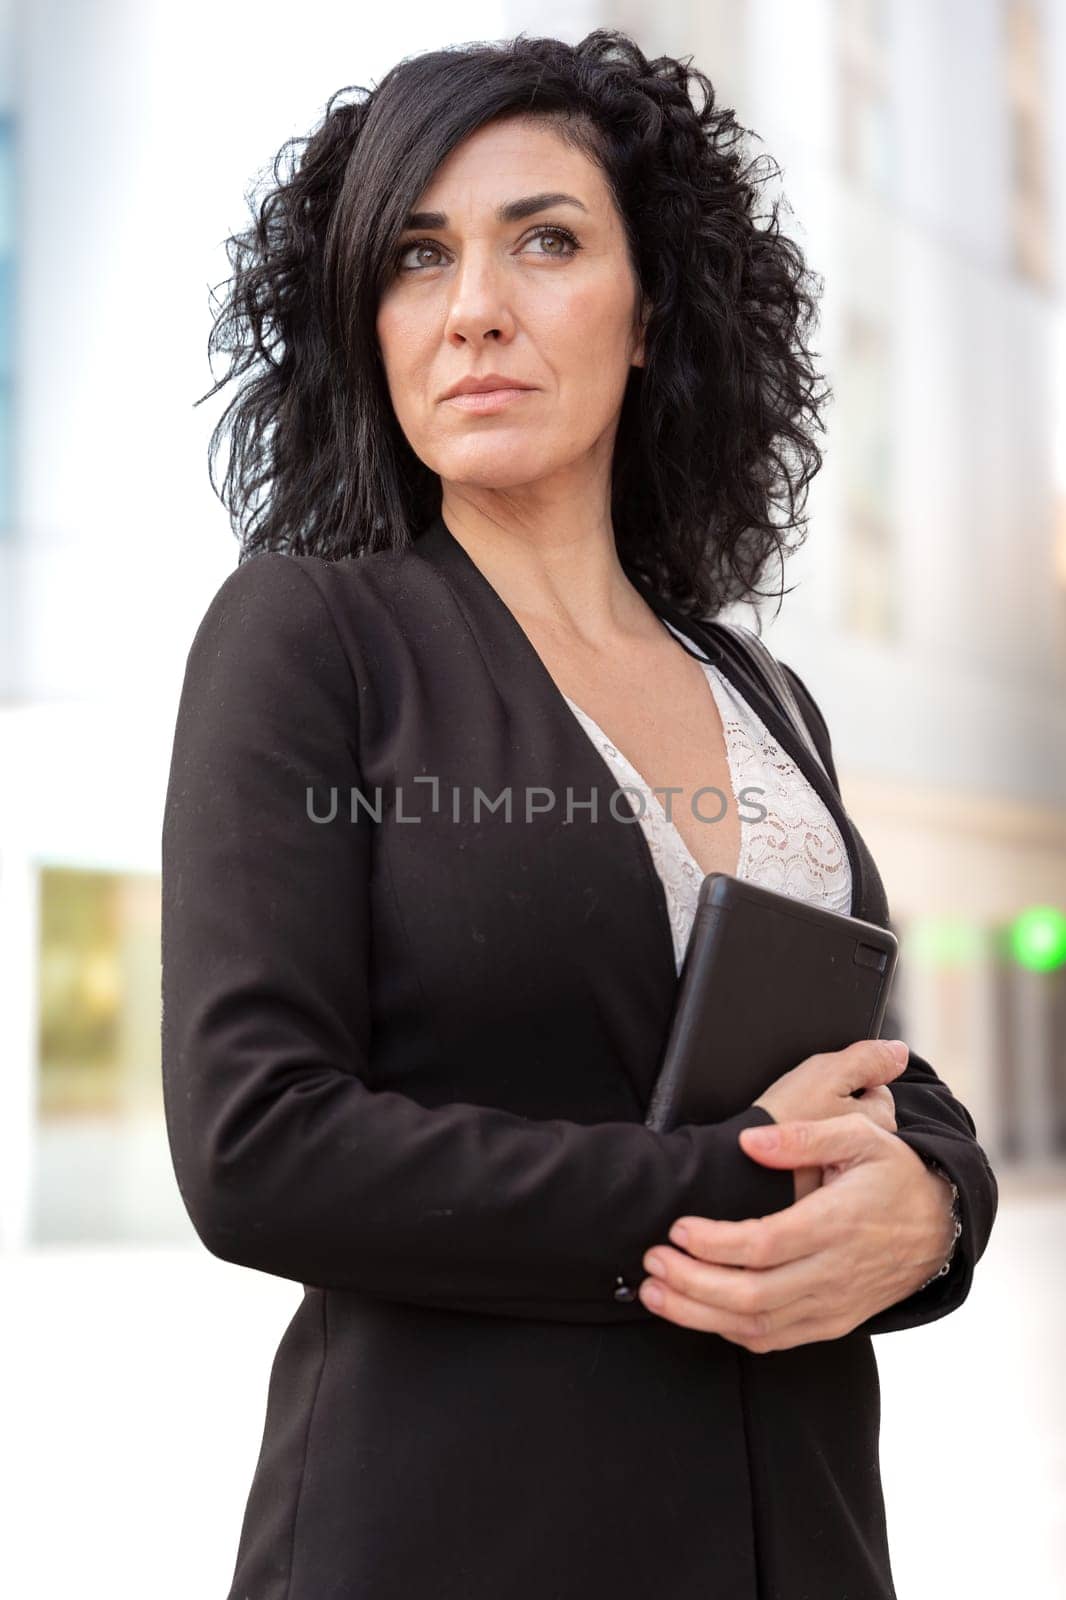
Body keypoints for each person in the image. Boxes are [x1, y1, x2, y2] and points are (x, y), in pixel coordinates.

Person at [161, 29, 998, 1600]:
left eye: (544, 240)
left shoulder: (754, 685)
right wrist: (743, 1186)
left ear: (647, 312)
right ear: (369, 320)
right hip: (459, 1533)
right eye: (418, 257)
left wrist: (943, 1202)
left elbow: (862, 1061)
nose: (475, 305)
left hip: (795, 1530)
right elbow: (255, 1144)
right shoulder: (309, 636)